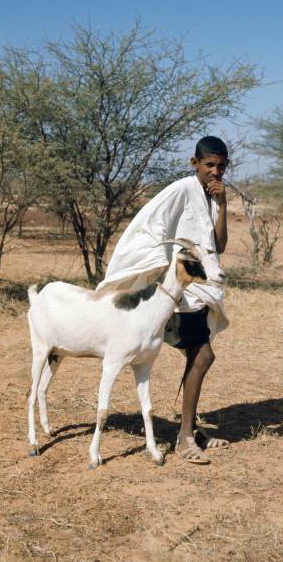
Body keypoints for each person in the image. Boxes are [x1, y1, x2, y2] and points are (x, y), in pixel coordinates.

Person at [96, 136, 230, 464]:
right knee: (202, 356)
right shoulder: (182, 189)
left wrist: (223, 205)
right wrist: (166, 268)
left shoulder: (212, 195)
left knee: (198, 356)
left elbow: (218, 244)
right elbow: (149, 228)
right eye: (209, 164)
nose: (215, 171)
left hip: (197, 290)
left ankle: (190, 427)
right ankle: (185, 437)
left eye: (221, 166)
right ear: (194, 162)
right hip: (177, 291)